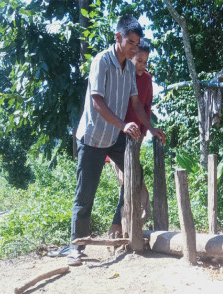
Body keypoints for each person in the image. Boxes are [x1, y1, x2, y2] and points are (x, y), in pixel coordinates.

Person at [68, 15, 165, 266]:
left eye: (137, 44)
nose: (134, 48)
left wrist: (151, 128)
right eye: (131, 43)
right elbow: (97, 102)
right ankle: (76, 245)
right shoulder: (101, 61)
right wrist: (123, 125)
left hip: (114, 138)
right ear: (118, 37)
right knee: (85, 193)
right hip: (92, 138)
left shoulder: (129, 70)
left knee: (135, 177)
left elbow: (136, 104)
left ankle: (118, 224)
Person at [107, 38, 153, 236]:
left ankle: (133, 227)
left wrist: (143, 133)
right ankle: (119, 227)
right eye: (139, 61)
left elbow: (146, 108)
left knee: (135, 181)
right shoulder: (121, 76)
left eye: (145, 62)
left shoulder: (147, 79)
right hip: (116, 139)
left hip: (135, 140)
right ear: (130, 58)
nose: (142, 65)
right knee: (129, 182)